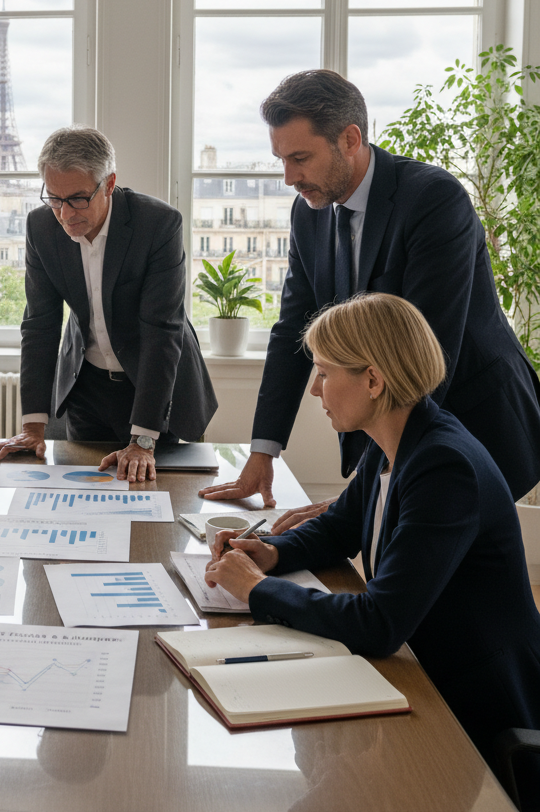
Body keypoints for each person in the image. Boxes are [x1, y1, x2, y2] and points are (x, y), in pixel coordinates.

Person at [204, 293, 540, 785]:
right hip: (423, 669)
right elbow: (341, 524)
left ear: (374, 380)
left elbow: (381, 622)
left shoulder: (445, 467)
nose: (315, 389)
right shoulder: (397, 439)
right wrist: (272, 552)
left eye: (323, 372)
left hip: (473, 708)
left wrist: (255, 588)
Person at [200, 69, 540, 527]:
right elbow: (291, 332)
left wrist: (366, 490)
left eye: (300, 157)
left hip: (473, 422)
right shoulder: (310, 212)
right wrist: (264, 453)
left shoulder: (433, 199)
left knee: (448, 584)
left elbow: (428, 354)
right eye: (281, 158)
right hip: (400, 431)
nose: (288, 177)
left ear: (350, 138)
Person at [0, 126, 217, 481]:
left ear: (108, 184)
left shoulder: (158, 223)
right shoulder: (41, 227)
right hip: (86, 387)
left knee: (158, 500)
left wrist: (142, 439)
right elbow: (39, 325)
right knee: (85, 497)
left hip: (155, 386)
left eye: (77, 198)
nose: (65, 214)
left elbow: (161, 330)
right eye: (54, 199)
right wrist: (33, 425)